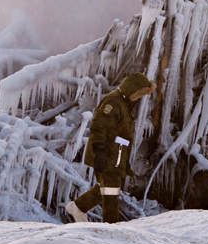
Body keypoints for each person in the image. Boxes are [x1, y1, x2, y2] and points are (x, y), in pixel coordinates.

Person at [65, 72, 156, 223]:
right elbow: (99, 127)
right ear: (131, 88)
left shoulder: (125, 104)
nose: (139, 97)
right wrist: (99, 151)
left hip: (116, 154)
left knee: (105, 187)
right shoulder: (113, 102)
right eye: (138, 93)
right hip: (106, 153)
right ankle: (111, 226)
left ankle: (78, 207)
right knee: (111, 190)